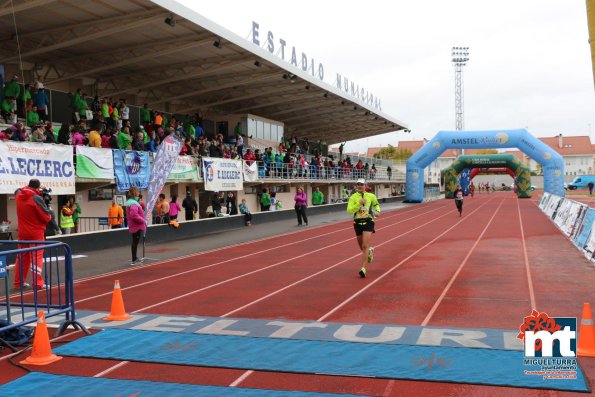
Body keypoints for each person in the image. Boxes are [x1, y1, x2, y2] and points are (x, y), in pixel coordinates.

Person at [13, 179, 52, 290]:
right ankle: (37, 283)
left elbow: (20, 190)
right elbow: (46, 217)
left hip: (22, 232)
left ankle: (18, 282)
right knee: (36, 258)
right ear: (36, 188)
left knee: (21, 257)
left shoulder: (19, 195)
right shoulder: (36, 198)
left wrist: (38, 190)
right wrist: (47, 208)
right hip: (35, 233)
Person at [347, 178, 380, 278]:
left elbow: (376, 205)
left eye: (362, 184)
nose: (360, 186)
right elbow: (349, 210)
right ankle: (369, 252)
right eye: (358, 184)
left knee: (365, 245)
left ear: (365, 185)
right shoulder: (353, 197)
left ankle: (363, 268)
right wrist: (359, 204)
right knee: (362, 247)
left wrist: (377, 212)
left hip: (368, 221)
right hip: (357, 222)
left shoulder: (371, 196)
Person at [126, 186, 146, 265]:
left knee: (135, 241)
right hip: (136, 225)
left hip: (134, 225)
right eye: (137, 192)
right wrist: (142, 220)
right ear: (135, 193)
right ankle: (134, 259)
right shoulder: (133, 203)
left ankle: (134, 258)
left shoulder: (131, 202)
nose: (138, 193)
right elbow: (134, 215)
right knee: (135, 241)